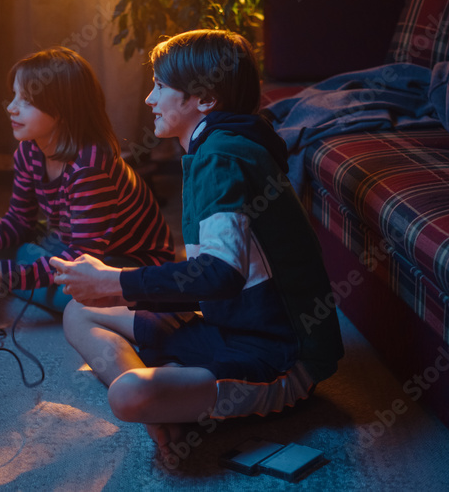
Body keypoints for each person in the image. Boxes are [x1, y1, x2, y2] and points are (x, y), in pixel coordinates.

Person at [50, 30, 345, 460]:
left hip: (280, 359)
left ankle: (160, 400)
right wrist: (109, 288)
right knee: (79, 310)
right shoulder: (220, 145)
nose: (150, 99)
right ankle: (167, 405)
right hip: (227, 326)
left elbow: (221, 273)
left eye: (160, 87)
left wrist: (115, 280)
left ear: (204, 99)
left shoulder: (221, 156)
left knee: (127, 394)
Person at [0, 47, 174, 311]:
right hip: (69, 243)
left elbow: (83, 259)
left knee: (74, 298)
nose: (11, 108)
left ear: (61, 110)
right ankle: (37, 273)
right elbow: (19, 220)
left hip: (126, 263)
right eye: (14, 96)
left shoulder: (90, 166)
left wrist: (7, 275)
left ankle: (33, 279)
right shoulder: (29, 150)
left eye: (25, 100)